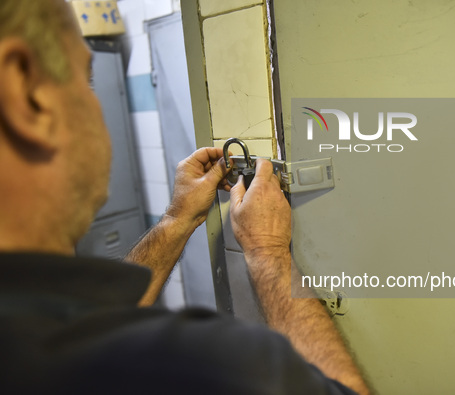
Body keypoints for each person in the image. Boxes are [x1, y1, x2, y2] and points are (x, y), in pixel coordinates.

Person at [0, 1, 371, 394]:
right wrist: (267, 251)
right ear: (25, 91)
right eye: (86, 80)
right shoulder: (193, 364)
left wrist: (177, 219)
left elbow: (84, 319)